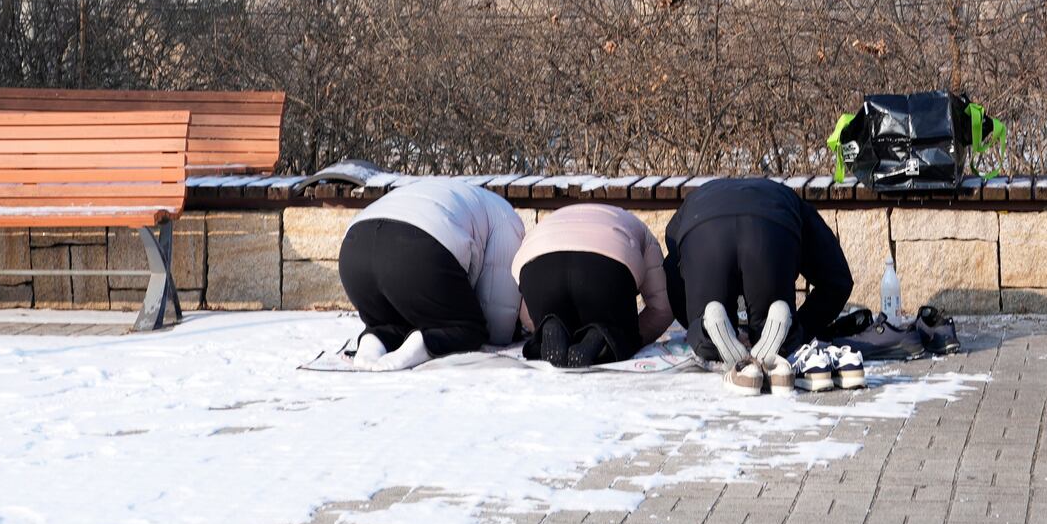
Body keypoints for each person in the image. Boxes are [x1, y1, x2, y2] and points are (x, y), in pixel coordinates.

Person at [664, 177, 853, 392]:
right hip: (771, 229)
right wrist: (802, 327)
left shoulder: (693, 199)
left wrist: (691, 322)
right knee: (772, 326)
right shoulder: (792, 199)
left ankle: (709, 328)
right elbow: (838, 280)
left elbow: (671, 265)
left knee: (704, 325)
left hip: (703, 231)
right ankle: (779, 330)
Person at [338, 177, 525, 371]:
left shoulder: (449, 193)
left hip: (354, 249)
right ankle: (420, 346)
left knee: (393, 322)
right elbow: (499, 313)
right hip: (417, 246)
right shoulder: (505, 214)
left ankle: (373, 342)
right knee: (466, 329)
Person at [512, 202, 674, 368]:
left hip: (537, 265)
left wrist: (539, 323)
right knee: (619, 335)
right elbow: (662, 307)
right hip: (604, 267)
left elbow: (527, 312)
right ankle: (602, 336)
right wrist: (630, 336)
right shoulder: (638, 227)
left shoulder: (549, 221)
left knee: (552, 313)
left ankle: (550, 323)